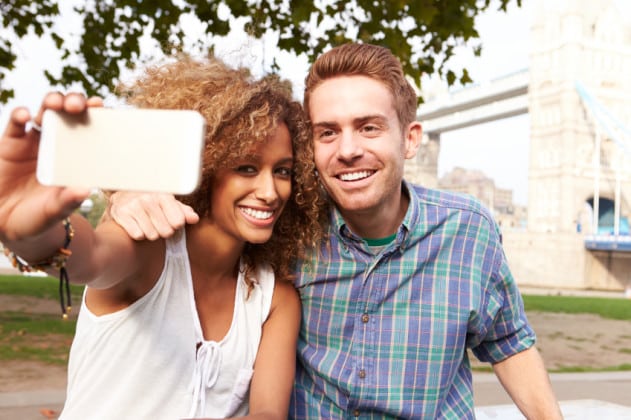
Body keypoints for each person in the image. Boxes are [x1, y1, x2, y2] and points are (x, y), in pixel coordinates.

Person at [106, 44, 563, 419]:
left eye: (368, 128)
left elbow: (509, 345)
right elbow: (207, 203)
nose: (348, 150)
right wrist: (121, 195)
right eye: (328, 132)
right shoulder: (285, 222)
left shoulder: (469, 231)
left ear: (410, 138)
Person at [0, 54, 325, 419]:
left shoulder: (274, 299)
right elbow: (87, 255)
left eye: (282, 171)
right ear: (206, 169)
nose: (270, 191)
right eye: (246, 168)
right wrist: (26, 231)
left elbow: (267, 414)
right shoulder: (147, 247)